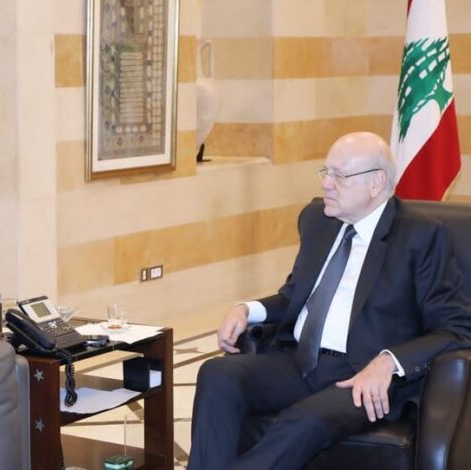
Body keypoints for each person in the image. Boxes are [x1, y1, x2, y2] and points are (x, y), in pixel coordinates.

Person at [188, 132, 471, 469]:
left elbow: (456, 328)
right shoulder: (318, 221)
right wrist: (247, 309)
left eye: (339, 175)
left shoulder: (420, 236)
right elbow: (295, 295)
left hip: (361, 375)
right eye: (325, 172)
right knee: (217, 374)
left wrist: (388, 362)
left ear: (376, 183)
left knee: (302, 421)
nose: (326, 184)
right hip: (300, 361)